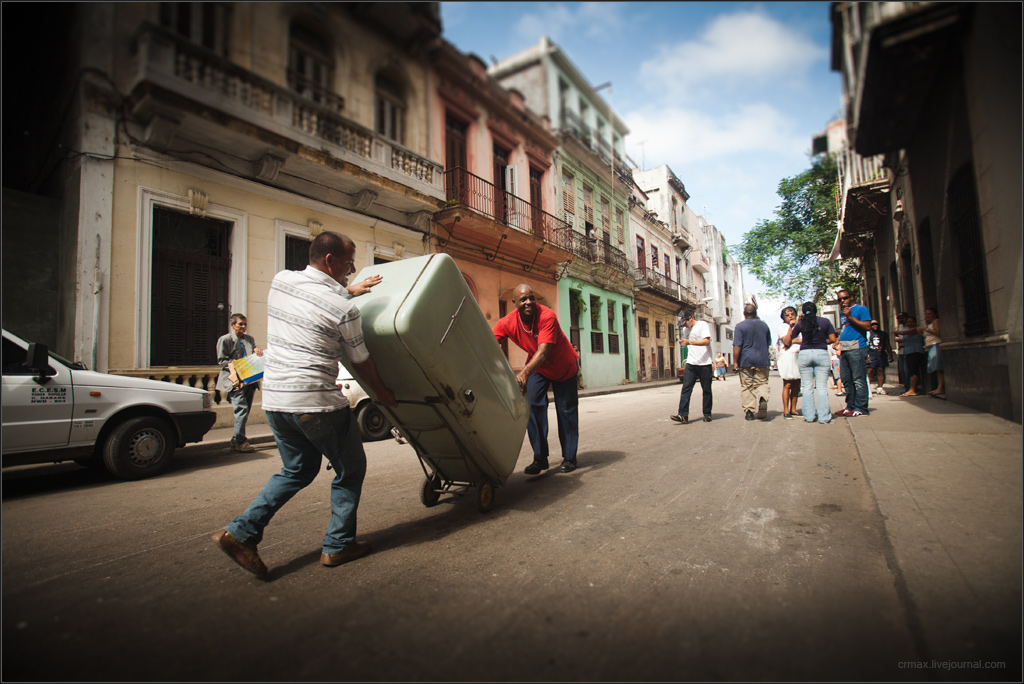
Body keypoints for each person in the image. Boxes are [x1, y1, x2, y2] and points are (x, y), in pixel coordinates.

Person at [212, 231, 397, 579]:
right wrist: (384, 394)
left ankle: (240, 533)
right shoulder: (345, 308)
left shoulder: (282, 281)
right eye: (348, 262)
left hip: (276, 401)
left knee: (296, 470)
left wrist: (346, 289)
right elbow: (360, 360)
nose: (352, 269)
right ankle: (339, 545)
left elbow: (314, 299)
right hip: (316, 403)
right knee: (350, 469)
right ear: (331, 261)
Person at [493, 284, 580, 474]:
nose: (528, 302)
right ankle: (540, 459)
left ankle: (569, 457)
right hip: (539, 368)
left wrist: (523, 373)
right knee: (532, 406)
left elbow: (543, 351)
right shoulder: (507, 323)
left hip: (563, 365)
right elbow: (490, 344)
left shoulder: (547, 315)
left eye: (531, 297)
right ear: (514, 302)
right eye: (523, 299)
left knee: (566, 410)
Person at [784, 302, 838, 424]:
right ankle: (824, 417)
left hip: (805, 354)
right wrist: (822, 341)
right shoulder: (825, 322)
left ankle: (809, 416)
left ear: (803, 312)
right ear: (815, 310)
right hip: (821, 353)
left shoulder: (801, 323)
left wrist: (796, 323)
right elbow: (833, 339)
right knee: (822, 387)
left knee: (807, 387)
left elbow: (792, 336)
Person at [216, 314, 263, 452]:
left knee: (245, 411)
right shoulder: (225, 340)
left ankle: (236, 440)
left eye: (244, 324)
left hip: (249, 381)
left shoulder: (249, 339)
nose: (243, 327)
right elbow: (221, 361)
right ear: (232, 325)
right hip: (235, 380)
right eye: (240, 324)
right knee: (241, 410)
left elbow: (253, 355)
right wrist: (238, 366)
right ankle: (240, 441)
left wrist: (257, 351)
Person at [669, 310, 714, 424]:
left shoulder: (702, 325)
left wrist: (689, 342)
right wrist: (685, 342)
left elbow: (706, 341)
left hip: (705, 363)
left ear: (690, 318)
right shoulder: (685, 330)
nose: (684, 325)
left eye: (685, 322)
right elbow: (689, 343)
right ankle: (682, 415)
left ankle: (707, 414)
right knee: (686, 389)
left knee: (706, 390)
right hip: (691, 363)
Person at [732, 302, 772, 421]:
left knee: (747, 386)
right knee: (762, 382)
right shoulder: (764, 326)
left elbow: (737, 346)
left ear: (744, 314)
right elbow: (768, 343)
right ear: (755, 313)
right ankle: (763, 398)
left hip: (746, 360)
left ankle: (749, 412)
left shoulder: (740, 326)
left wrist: (735, 363)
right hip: (762, 359)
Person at [835, 288, 871, 418]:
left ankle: (861, 407)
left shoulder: (861, 309)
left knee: (858, 379)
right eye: (839, 300)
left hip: (857, 348)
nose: (842, 301)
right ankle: (850, 405)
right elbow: (845, 328)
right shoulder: (842, 313)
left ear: (851, 297)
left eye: (845, 298)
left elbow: (867, 326)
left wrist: (850, 316)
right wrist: (838, 341)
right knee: (846, 379)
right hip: (845, 348)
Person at [776, 306, 802, 419]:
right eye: (787, 315)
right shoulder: (783, 327)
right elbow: (786, 341)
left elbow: (805, 340)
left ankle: (794, 408)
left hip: (799, 355)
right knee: (788, 384)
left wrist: (795, 341)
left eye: (792, 314)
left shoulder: (800, 326)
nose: (790, 316)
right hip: (787, 357)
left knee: (797, 384)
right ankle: (786, 410)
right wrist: (791, 327)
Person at [895, 315, 926, 397]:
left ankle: (912, 389)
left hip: (915, 352)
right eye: (908, 322)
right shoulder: (907, 332)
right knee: (910, 371)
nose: (910, 323)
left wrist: (897, 332)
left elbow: (901, 333)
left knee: (913, 371)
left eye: (912, 322)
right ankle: (911, 389)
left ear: (915, 322)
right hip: (908, 353)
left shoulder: (916, 329)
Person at [919, 307, 945, 397]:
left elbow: (938, 333)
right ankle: (938, 387)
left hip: (936, 344)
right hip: (930, 346)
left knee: (938, 368)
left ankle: (940, 387)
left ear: (935, 314)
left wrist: (926, 329)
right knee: (935, 368)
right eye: (926, 314)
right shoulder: (929, 324)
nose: (927, 316)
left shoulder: (936, 321)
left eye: (929, 314)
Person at [866, 320, 893, 395]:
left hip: (881, 354)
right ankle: (867, 388)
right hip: (871, 354)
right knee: (870, 371)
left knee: (880, 370)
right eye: (873, 325)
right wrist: (866, 356)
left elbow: (887, 344)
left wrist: (890, 354)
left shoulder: (883, 334)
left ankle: (880, 387)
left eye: (876, 324)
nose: (875, 326)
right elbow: (865, 345)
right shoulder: (868, 334)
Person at [894, 312, 911, 393]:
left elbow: (905, 338)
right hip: (901, 350)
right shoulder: (900, 326)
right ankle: (906, 387)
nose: (901, 320)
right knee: (902, 371)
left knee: (906, 370)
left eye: (903, 318)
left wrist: (900, 339)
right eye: (899, 318)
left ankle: (910, 388)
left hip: (908, 350)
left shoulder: (909, 326)